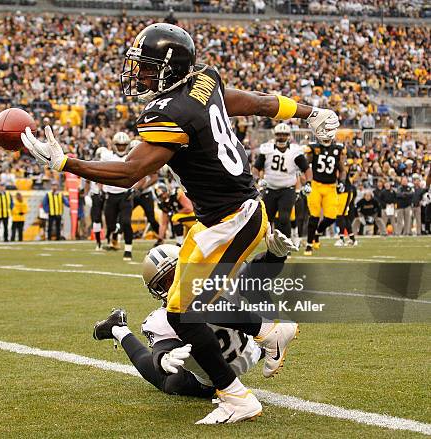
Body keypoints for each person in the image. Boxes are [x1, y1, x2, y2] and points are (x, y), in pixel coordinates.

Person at [21, 23, 338, 424]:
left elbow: (130, 172)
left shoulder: (170, 111)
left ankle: (236, 396)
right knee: (187, 306)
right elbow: (258, 102)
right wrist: (311, 113)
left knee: (182, 313)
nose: (141, 76)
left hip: (231, 219)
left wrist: (67, 163)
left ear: (171, 69)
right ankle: (271, 332)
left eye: (149, 68)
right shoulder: (205, 81)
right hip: (221, 217)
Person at [93, 233, 294, 397]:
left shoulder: (214, 280)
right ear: (156, 291)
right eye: (165, 282)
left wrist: (274, 257)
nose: (174, 284)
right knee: (169, 381)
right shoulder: (161, 319)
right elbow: (163, 349)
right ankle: (118, 328)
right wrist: (163, 360)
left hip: (251, 350)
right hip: (205, 381)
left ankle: (269, 333)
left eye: (177, 273)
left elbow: (254, 274)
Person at [253, 123, 311, 239]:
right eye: (279, 134)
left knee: (284, 218)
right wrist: (258, 179)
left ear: (288, 136)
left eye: (284, 135)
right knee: (266, 219)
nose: (281, 137)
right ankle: (269, 243)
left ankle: (286, 244)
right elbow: (255, 168)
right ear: (275, 135)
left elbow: (307, 169)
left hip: (287, 189)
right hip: (270, 189)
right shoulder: (267, 149)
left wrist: (308, 183)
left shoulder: (295, 151)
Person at [303, 136, 347, 255]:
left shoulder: (337, 149)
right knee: (314, 216)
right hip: (316, 185)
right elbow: (305, 165)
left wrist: (342, 182)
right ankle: (309, 244)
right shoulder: (314, 148)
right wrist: (307, 181)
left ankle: (317, 233)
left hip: (331, 187)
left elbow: (342, 169)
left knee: (331, 217)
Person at [100, 132, 135, 260]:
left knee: (126, 222)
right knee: (110, 225)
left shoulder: (132, 156)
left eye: (123, 145)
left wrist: (134, 189)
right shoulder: (106, 156)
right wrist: (101, 189)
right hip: (111, 194)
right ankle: (114, 234)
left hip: (126, 194)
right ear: (114, 145)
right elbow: (100, 173)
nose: (121, 148)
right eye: (119, 145)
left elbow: (141, 175)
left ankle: (128, 250)